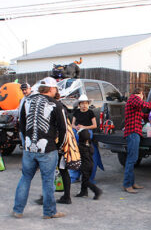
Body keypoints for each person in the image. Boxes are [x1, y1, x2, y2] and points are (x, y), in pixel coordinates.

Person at [12, 77, 67, 219]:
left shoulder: (27, 101)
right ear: (51, 89)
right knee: (48, 181)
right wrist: (59, 146)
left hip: (29, 148)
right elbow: (63, 129)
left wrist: (27, 143)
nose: (56, 90)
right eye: (55, 88)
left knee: (25, 178)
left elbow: (22, 125)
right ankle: (49, 212)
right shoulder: (56, 104)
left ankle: (18, 210)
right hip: (47, 149)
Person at [123, 87, 151, 193]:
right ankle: (127, 185)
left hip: (135, 133)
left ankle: (131, 183)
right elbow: (143, 104)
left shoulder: (135, 106)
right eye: (142, 95)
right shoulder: (133, 98)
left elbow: (143, 115)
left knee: (133, 159)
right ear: (140, 94)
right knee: (131, 159)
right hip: (132, 133)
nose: (142, 98)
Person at [76, 129, 103, 199]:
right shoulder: (90, 146)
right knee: (85, 178)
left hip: (85, 165)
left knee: (86, 181)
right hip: (91, 164)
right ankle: (83, 192)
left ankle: (97, 191)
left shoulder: (80, 147)